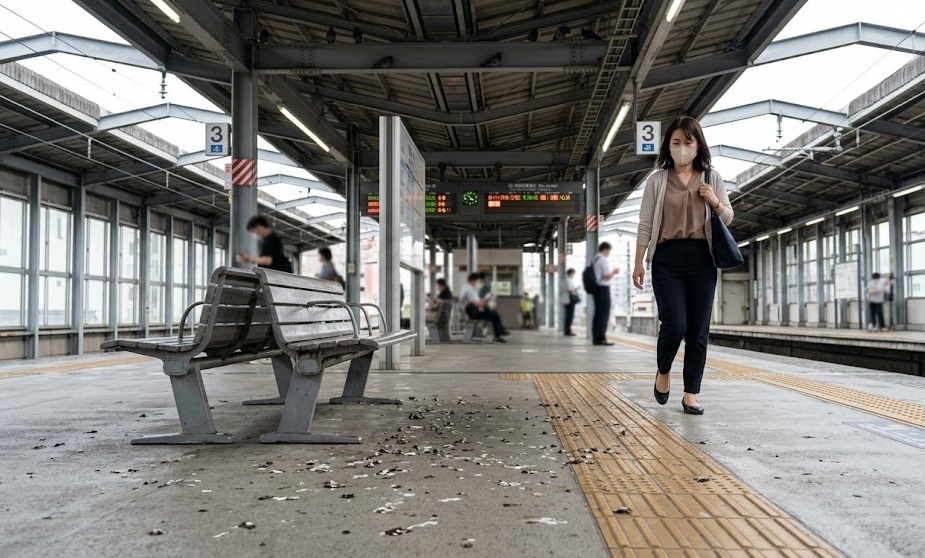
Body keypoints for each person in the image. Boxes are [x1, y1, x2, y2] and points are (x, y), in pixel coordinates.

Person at [633, 116, 734, 416]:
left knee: (698, 330)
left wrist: (713, 201)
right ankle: (663, 371)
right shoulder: (657, 180)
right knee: (674, 324)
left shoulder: (711, 178)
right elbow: (645, 223)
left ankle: (691, 393)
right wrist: (639, 262)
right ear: (668, 146)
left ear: (698, 145)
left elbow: (727, 217)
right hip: (667, 259)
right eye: (675, 143)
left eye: (688, 143)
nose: (682, 149)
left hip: (703, 259)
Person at [460, 272, 509, 343]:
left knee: (494, 313)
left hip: (477, 309)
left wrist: (486, 300)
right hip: (473, 312)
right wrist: (469, 303)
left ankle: (500, 333)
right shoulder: (467, 287)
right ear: (472, 280)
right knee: (494, 314)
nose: (477, 283)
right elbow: (462, 298)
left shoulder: (471, 289)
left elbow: (479, 303)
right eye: (476, 281)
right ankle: (499, 333)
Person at [591, 242, 619, 346]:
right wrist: (614, 272)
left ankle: (596, 338)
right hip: (603, 289)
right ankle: (601, 339)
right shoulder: (602, 260)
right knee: (603, 315)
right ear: (605, 249)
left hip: (596, 290)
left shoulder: (595, 259)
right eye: (608, 251)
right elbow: (606, 276)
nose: (609, 253)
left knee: (598, 315)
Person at [562, 268, 579, 336]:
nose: (574, 275)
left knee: (568, 315)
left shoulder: (566, 280)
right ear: (570, 273)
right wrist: (575, 289)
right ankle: (568, 331)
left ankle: (567, 330)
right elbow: (568, 290)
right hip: (569, 300)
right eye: (573, 273)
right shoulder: (568, 281)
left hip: (567, 299)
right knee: (569, 316)